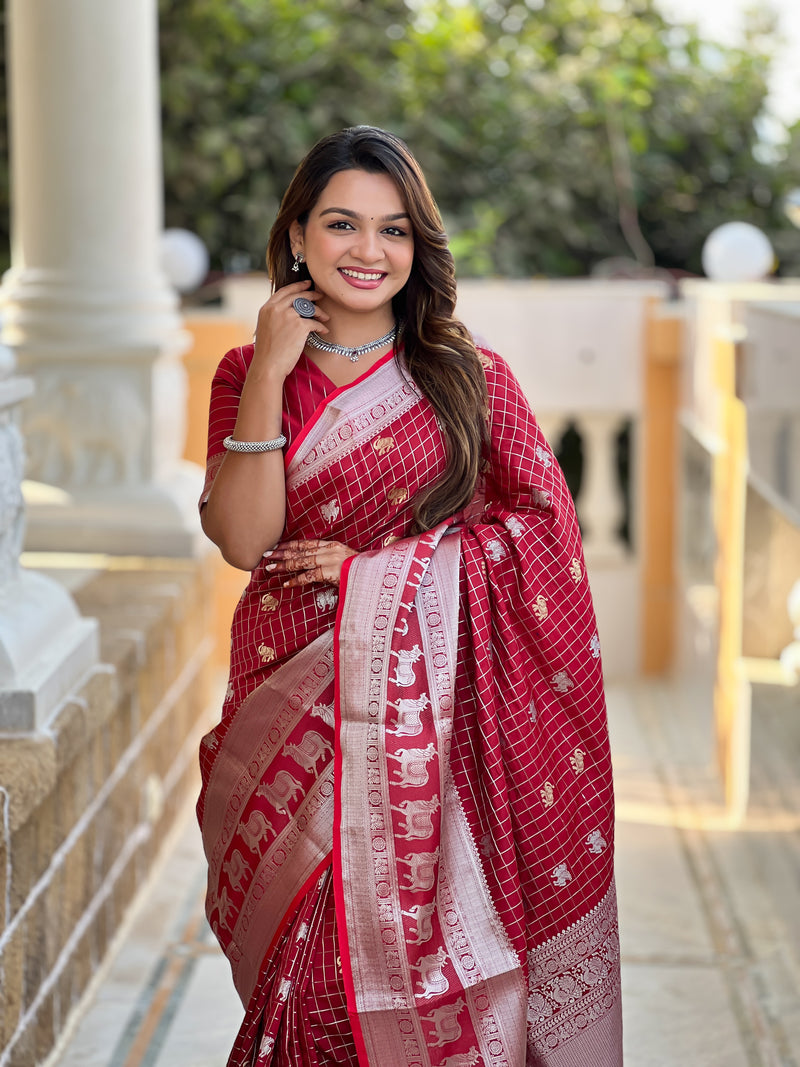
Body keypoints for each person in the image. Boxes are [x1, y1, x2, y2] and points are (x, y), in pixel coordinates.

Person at [198, 126, 622, 1067]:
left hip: (437, 737)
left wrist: (374, 576)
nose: (368, 251)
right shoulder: (246, 375)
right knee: (301, 977)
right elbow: (242, 540)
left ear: (417, 246)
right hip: (291, 723)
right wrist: (271, 366)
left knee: (411, 983)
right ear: (298, 234)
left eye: (393, 231)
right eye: (342, 224)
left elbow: (548, 538)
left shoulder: (467, 379)